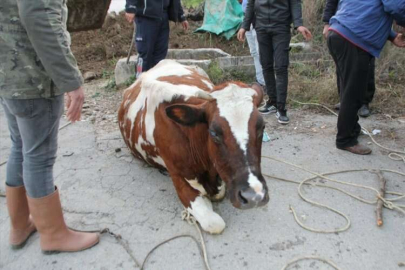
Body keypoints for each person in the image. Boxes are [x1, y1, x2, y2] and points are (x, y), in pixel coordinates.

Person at [0, 0, 99, 252]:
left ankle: (20, 226)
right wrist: (71, 81)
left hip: (10, 75)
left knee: (21, 146)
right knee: (38, 157)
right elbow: (39, 16)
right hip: (33, 78)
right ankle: (53, 234)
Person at [327, 0, 405, 155]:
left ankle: (351, 128)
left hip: (338, 33)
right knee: (353, 92)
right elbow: (396, 7)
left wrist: (392, 35)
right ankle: (345, 140)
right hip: (354, 39)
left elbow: (365, 10)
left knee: (348, 88)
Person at [237, 0, 312, 124]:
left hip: (281, 27)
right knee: (266, 65)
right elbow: (250, 4)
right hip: (261, 27)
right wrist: (244, 26)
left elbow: (294, 3)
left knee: (281, 67)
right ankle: (272, 101)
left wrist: (298, 24)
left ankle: (281, 109)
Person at [322, 0, 375, 118]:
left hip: (366, 29)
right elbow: (331, 2)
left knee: (366, 66)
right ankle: (345, 99)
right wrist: (326, 22)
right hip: (343, 26)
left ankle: (363, 103)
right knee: (342, 67)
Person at [125, 0, 189, 77]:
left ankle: (155, 83)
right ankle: (141, 84)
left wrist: (180, 15)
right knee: (145, 54)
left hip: (163, 16)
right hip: (146, 16)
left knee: (160, 56)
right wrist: (130, 7)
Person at [241, 0, 266, 87]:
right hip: (247, 18)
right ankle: (260, 80)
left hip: (258, 18)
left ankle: (266, 81)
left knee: (261, 52)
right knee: (254, 52)